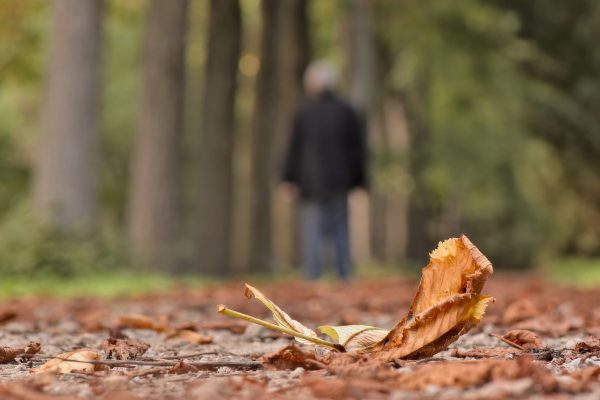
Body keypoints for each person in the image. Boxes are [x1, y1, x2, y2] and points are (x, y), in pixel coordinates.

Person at [281, 61, 367, 280]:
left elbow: (294, 148)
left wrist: (288, 178)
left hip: (310, 183)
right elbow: (357, 149)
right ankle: (344, 274)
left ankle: (313, 277)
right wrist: (360, 181)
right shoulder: (347, 111)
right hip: (340, 181)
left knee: (312, 232)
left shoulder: (304, 112)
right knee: (340, 231)